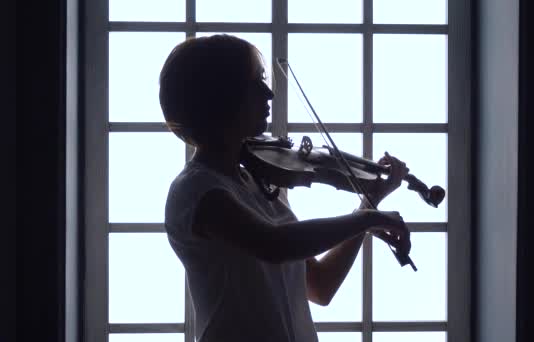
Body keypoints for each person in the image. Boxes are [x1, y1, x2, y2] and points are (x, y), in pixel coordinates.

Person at [160, 34, 411, 342]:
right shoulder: (196, 190)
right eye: (255, 83)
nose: (268, 93)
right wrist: (368, 219)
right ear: (221, 95)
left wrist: (368, 203)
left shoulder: (258, 186)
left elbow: (320, 286)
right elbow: (275, 245)